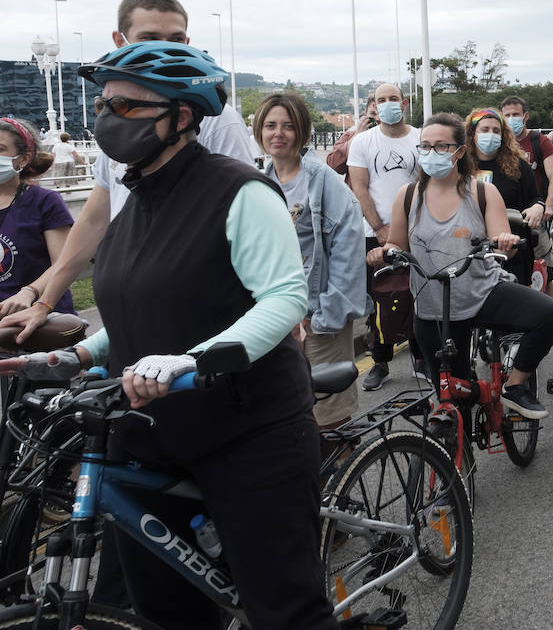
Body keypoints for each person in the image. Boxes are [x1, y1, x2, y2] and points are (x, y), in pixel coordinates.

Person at [0, 41, 335, 629]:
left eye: (129, 107)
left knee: (284, 611)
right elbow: (142, 309)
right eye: (105, 104)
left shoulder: (240, 191)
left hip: (248, 429)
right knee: (165, 613)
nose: (108, 117)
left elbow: (284, 298)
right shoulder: (137, 200)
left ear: (182, 117)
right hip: (149, 429)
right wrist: (77, 354)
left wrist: (191, 362)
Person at [2, 0, 257, 340]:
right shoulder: (123, 123)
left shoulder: (217, 121)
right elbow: (93, 221)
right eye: (149, 38)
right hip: (133, 313)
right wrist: (42, 299)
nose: (166, 48)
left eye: (176, 39)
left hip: (196, 315)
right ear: (120, 41)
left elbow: (243, 219)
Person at [369, 113, 553, 420]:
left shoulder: (482, 192)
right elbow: (396, 243)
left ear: (459, 151)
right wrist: (384, 253)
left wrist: (504, 240)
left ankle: (516, 384)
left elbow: (499, 234)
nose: (432, 153)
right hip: (432, 308)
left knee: (548, 314)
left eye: (441, 146)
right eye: (425, 147)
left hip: (481, 293)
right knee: (453, 398)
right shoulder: (407, 196)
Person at [255, 91, 367, 430]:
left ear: (302, 131)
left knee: (329, 417)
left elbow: (348, 252)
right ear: (260, 131)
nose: (278, 133)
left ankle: (342, 477)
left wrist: (326, 316)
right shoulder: (259, 183)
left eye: (288, 126)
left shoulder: (324, 182)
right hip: (277, 317)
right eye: (271, 125)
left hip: (320, 316)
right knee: (285, 412)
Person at [347, 82, 420, 391]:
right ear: (374, 106)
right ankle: (380, 362)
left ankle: (422, 358)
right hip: (375, 232)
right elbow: (359, 187)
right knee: (382, 299)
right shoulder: (362, 142)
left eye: (393, 98)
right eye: (381, 100)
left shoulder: (420, 138)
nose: (388, 104)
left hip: (417, 230)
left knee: (419, 296)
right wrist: (380, 229)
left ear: (403, 104)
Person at [0, 118, 75, 318]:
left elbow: (63, 263)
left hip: (42, 318)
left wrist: (29, 292)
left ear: (23, 159)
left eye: (0, 149)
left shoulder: (45, 201)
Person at [468, 108, 541, 286]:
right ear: (472, 133)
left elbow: (534, 198)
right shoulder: (461, 167)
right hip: (469, 251)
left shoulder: (518, 166)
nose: (490, 134)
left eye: (496, 130)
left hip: (511, 251)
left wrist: (538, 206)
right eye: (485, 130)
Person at [501, 95, 553, 235]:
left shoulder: (540, 141)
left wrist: (548, 206)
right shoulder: (499, 143)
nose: (511, 119)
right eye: (507, 115)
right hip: (504, 214)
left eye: (515, 114)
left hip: (534, 213)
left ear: (525, 116)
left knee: (540, 253)